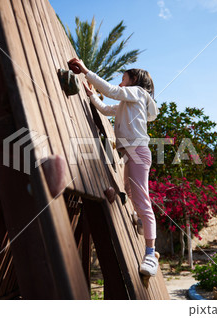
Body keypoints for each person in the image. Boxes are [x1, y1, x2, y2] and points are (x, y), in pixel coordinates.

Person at [68, 58, 160, 277]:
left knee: (142, 201)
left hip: (137, 152)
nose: (120, 84)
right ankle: (141, 221)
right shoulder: (128, 103)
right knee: (130, 191)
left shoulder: (137, 93)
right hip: (131, 154)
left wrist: (86, 71)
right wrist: (91, 95)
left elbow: (109, 91)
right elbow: (106, 108)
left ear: (134, 80)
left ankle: (150, 254)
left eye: (123, 79)